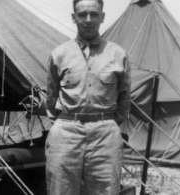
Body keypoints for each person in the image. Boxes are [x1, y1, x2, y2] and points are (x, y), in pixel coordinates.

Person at [45, 0, 131, 194]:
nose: (88, 20)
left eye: (94, 14)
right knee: (60, 190)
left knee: (106, 190)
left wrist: (104, 123)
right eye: (82, 14)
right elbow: (51, 98)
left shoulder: (118, 54)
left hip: (105, 134)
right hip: (66, 133)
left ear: (102, 17)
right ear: (74, 17)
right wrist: (68, 122)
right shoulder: (59, 54)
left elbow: (124, 99)